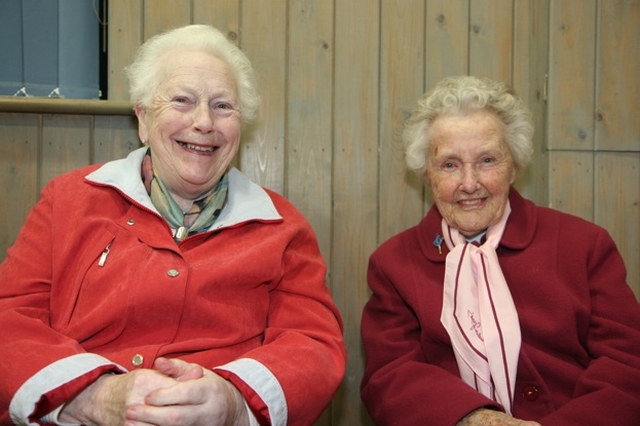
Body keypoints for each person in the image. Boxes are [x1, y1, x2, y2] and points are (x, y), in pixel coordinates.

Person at [0, 24, 346, 426]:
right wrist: (92, 397)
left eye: (223, 106)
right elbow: (10, 320)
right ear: (143, 119)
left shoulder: (282, 226)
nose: (204, 123)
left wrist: (232, 401)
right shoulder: (68, 200)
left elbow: (315, 346)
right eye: (182, 100)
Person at [360, 75, 640, 425]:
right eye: (449, 165)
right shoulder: (393, 265)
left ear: (514, 167)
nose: (469, 183)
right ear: (427, 175)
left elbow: (628, 364)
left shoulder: (584, 245)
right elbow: (391, 376)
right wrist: (479, 421)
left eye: (487, 160)